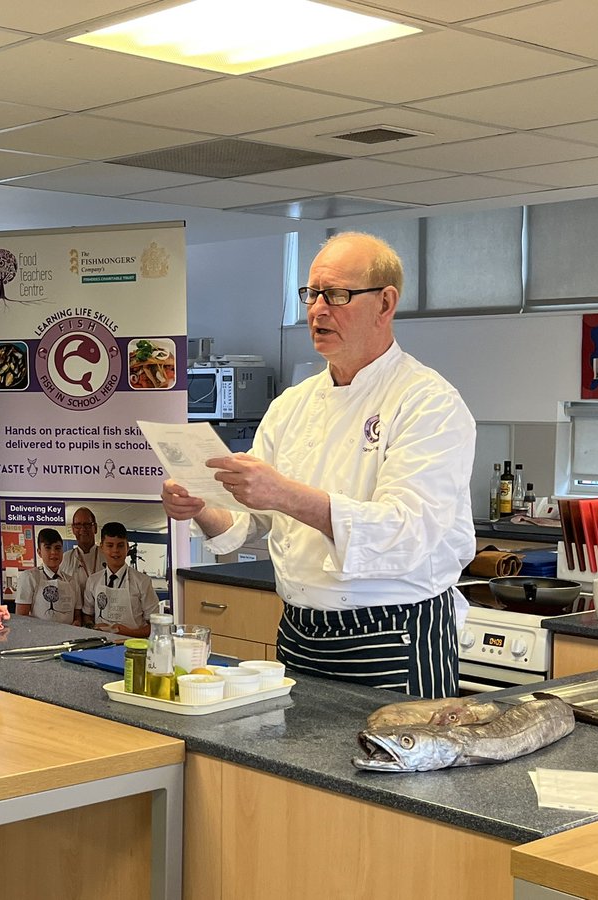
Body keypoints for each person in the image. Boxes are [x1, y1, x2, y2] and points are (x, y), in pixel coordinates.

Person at [162, 231, 475, 699]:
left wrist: (283, 493)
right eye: (311, 294)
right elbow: (256, 523)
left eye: (338, 295)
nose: (318, 309)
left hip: (395, 632)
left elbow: (408, 530)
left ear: (385, 303)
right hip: (300, 631)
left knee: (400, 769)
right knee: (296, 769)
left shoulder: (428, 402)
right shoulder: (292, 405)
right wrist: (200, 506)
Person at [81, 522, 159, 637]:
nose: (115, 550)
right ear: (102, 547)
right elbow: (87, 615)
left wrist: (126, 632)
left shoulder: (142, 582)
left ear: (127, 547)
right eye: (110, 545)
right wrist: (92, 626)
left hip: (132, 644)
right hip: (100, 645)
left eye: (120, 545)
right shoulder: (93, 581)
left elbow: (155, 626)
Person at [15, 528, 79, 624]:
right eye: (48, 547)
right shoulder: (29, 577)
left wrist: (77, 623)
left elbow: (77, 614)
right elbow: (21, 616)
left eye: (57, 548)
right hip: (39, 636)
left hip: (67, 636)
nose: (53, 552)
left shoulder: (71, 581)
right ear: (39, 552)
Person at [59, 506, 103, 596]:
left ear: (95, 528)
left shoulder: (106, 556)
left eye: (87, 524)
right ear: (73, 529)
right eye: (78, 525)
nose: (82, 529)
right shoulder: (65, 559)